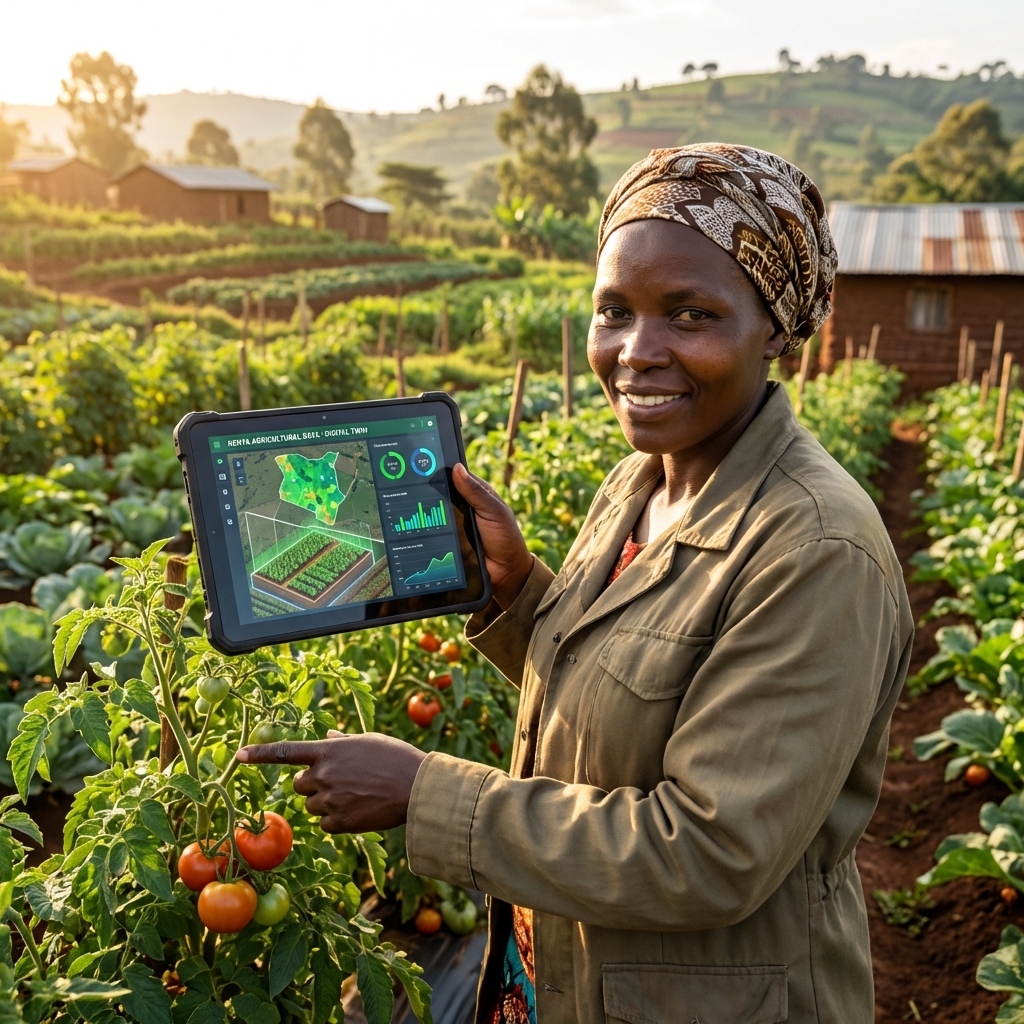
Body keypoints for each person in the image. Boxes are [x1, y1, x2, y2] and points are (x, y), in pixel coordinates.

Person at [238, 144, 913, 1024]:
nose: (637, 351)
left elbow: (709, 853)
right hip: (567, 976)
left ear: (775, 327)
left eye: (690, 314)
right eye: (613, 311)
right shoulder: (646, 480)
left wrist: (423, 792)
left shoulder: (816, 549)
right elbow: (629, 701)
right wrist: (517, 595)